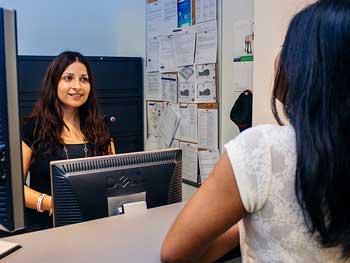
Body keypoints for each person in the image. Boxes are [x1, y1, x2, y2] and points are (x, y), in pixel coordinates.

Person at [161, 1, 350, 262]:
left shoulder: (263, 148)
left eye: (287, 48)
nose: (277, 59)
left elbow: (173, 254)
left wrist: (246, 221)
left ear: (310, 67)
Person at [22, 51, 115, 230]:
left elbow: (114, 179)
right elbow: (14, 190)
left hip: (95, 226)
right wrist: (51, 203)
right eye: (68, 78)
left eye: (84, 79)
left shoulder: (100, 129)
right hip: (47, 229)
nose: (77, 86)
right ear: (54, 83)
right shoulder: (32, 128)